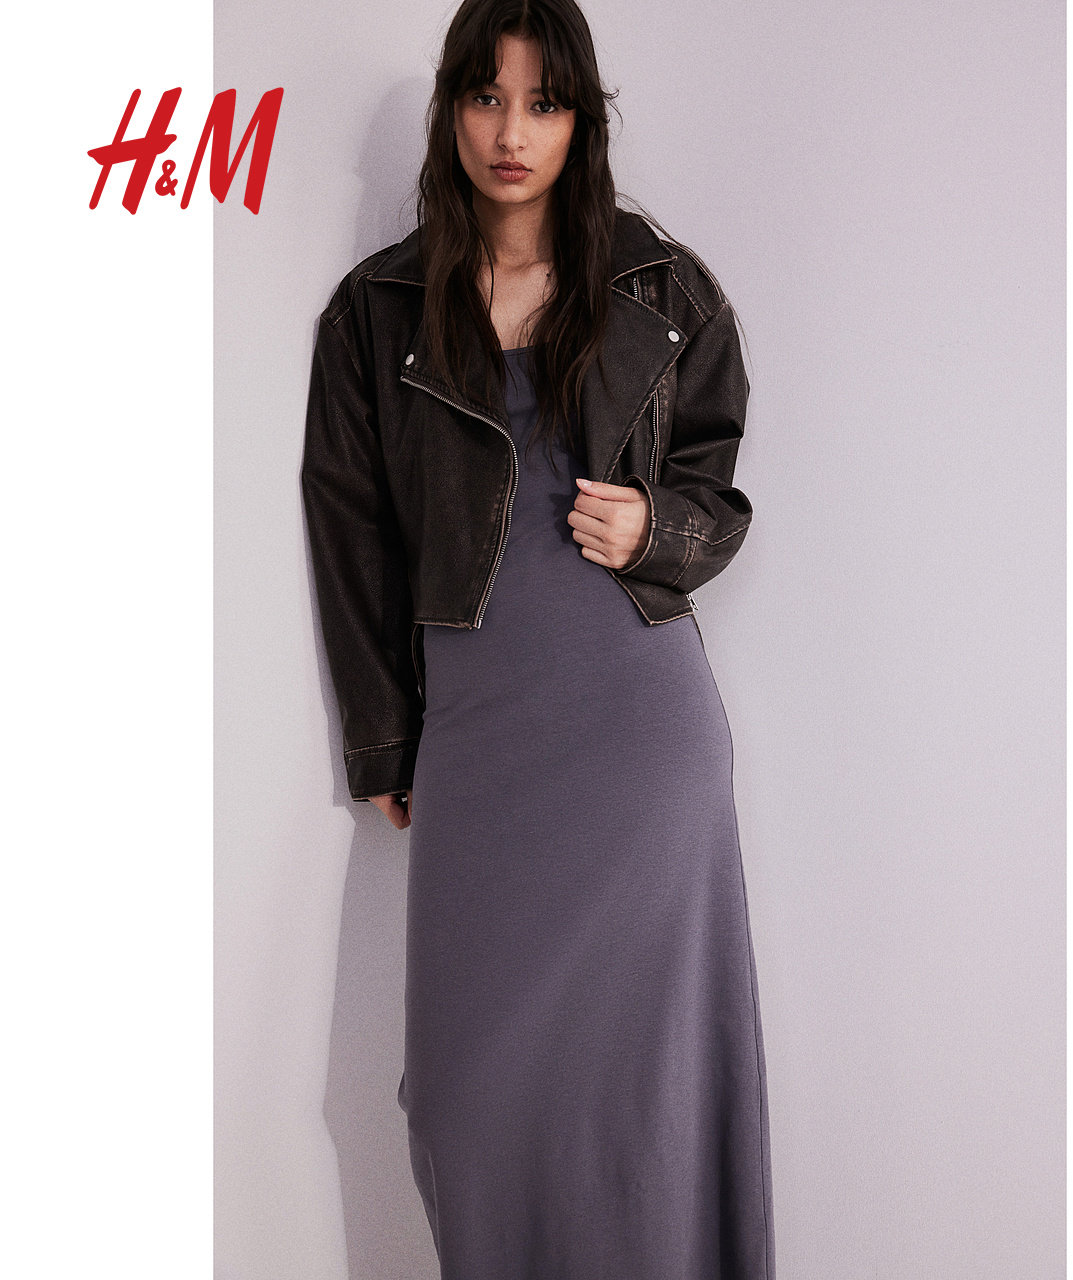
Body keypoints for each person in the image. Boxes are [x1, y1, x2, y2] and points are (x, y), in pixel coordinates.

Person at [301, 0, 775, 1274]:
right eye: (485, 98)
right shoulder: (375, 312)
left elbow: (718, 494)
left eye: (544, 103)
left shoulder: (661, 289)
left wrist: (658, 525)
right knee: (463, 1100)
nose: (511, 133)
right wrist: (382, 738)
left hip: (639, 733)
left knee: (647, 1093)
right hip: (479, 737)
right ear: (451, 109)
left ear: (581, 121)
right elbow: (352, 533)